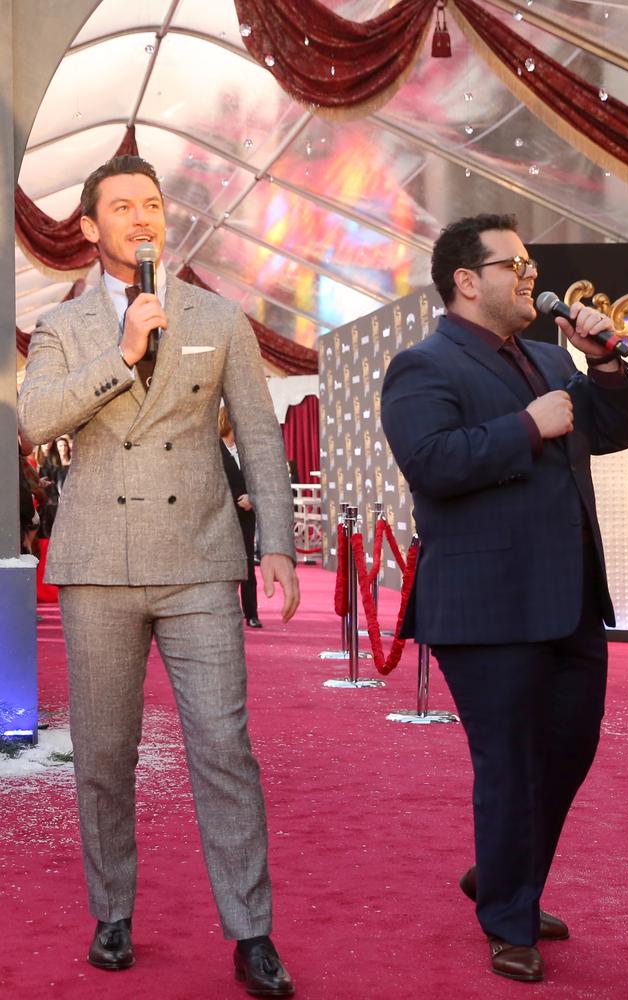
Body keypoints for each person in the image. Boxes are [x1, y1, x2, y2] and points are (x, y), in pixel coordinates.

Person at [18, 154, 300, 997]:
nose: (143, 217)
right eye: (123, 206)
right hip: (99, 563)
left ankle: (252, 933)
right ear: (89, 227)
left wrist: (277, 542)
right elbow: (34, 422)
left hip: (200, 560)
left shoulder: (218, 315)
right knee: (105, 754)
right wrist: (125, 347)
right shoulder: (66, 326)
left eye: (153, 204)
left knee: (225, 747)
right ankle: (112, 913)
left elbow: (257, 434)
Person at [381, 214, 628, 983]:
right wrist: (525, 428)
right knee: (510, 763)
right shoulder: (422, 365)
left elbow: (616, 431)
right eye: (515, 264)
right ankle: (508, 918)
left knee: (568, 752)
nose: (530, 275)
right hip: (487, 602)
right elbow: (430, 462)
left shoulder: (545, 354)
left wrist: (603, 368)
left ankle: (504, 875)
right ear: (468, 280)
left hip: (568, 596)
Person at [219, 406, 262, 628]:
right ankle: (224, 612)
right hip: (223, 517)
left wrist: (252, 498)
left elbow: (260, 480)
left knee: (247, 565)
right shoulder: (213, 448)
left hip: (246, 515)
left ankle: (251, 613)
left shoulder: (248, 450)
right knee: (224, 566)